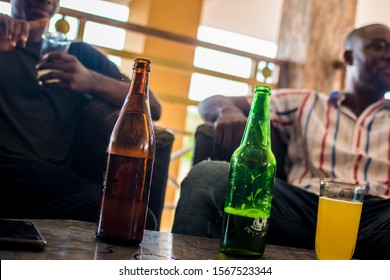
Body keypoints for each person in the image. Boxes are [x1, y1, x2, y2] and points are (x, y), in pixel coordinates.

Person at [172, 23, 390, 260]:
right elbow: (211, 102)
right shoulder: (305, 102)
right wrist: (228, 111)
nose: (389, 54)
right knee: (209, 175)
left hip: (377, 217)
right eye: (379, 47)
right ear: (349, 57)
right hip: (302, 209)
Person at [0, 0, 162, 223]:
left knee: (138, 220)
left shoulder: (78, 53)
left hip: (54, 181)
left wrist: (90, 80)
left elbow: (152, 105)